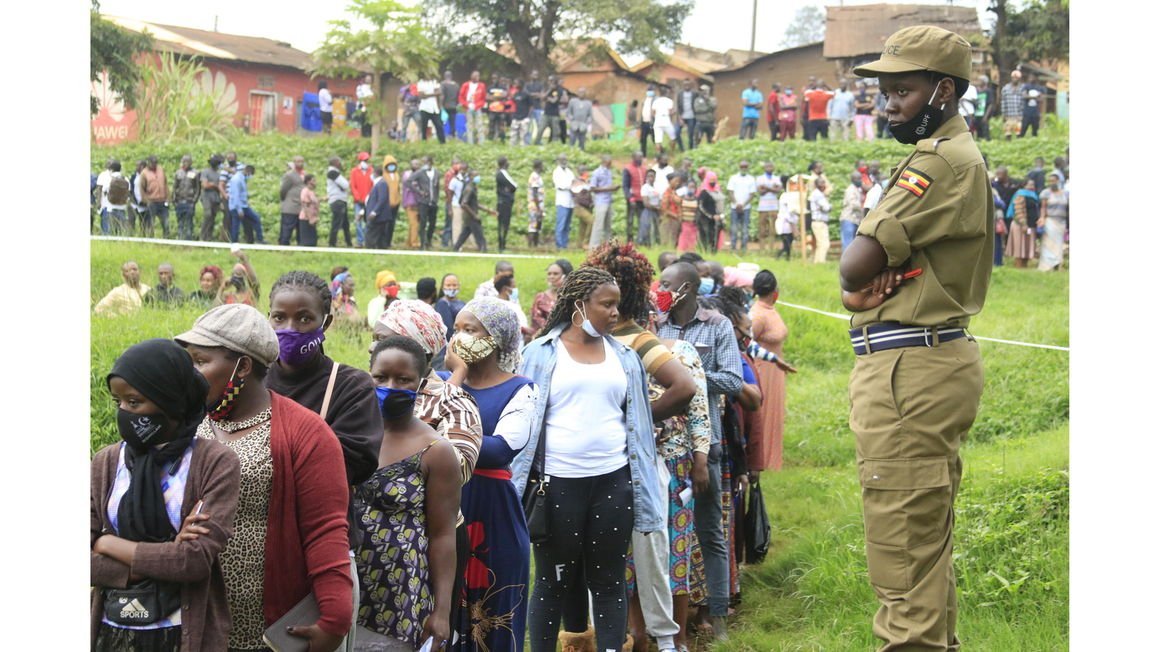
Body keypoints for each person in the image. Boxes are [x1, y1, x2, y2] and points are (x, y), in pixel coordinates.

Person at [842, 26, 992, 651]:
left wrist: (856, 283)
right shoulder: (941, 153)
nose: (889, 103)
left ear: (945, 90)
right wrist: (858, 288)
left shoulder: (941, 160)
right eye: (885, 91)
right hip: (920, 363)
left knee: (902, 556)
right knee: (923, 552)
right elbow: (858, 280)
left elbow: (855, 265)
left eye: (902, 90)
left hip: (912, 370)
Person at [178, 304, 354, 652]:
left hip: (263, 626)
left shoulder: (305, 433)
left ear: (242, 366)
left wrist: (334, 619)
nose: (190, 374)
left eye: (200, 361)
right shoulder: (185, 423)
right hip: (189, 619)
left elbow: (326, 529)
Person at [511, 267, 666, 652]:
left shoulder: (625, 357)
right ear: (580, 305)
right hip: (556, 487)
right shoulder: (539, 354)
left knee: (609, 580)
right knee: (552, 581)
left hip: (613, 484)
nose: (615, 312)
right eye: (606, 304)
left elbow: (640, 425)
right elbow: (522, 423)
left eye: (617, 304)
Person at [581, 242, 699, 652]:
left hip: (636, 468)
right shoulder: (589, 338)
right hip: (594, 467)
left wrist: (633, 419)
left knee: (645, 556)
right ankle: (629, 637)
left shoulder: (638, 338)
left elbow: (684, 387)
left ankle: (660, 639)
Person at [91, 339, 241, 652]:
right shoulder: (106, 462)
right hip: (112, 630)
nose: (123, 413)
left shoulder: (214, 463)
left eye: (134, 403)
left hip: (182, 633)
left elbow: (193, 561)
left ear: (171, 402)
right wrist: (164, 554)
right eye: (118, 401)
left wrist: (108, 544)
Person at [441, 298, 537, 651]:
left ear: (495, 338)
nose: (460, 337)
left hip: (493, 512)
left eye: (471, 330)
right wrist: (458, 376)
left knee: (492, 615)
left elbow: (499, 450)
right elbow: (419, 429)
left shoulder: (520, 389)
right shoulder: (441, 380)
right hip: (445, 506)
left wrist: (444, 433)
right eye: (457, 330)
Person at [654, 261, 743, 641]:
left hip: (706, 444)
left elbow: (734, 378)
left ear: (686, 288)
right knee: (668, 533)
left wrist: (690, 375)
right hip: (664, 446)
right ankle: (674, 619)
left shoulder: (717, 325)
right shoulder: (656, 326)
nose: (661, 289)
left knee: (709, 532)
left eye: (667, 283)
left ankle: (718, 615)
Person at [355, 336, 460, 650]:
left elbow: (443, 535)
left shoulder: (435, 451)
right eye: (381, 377)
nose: (391, 385)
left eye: (404, 380)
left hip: (399, 596)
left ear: (422, 382)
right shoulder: (347, 433)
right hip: (343, 589)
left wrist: (442, 611)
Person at [265, 271, 384, 489]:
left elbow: (349, 464)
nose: (290, 329)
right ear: (268, 318)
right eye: (279, 318)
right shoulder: (249, 379)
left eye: (304, 319)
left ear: (326, 323)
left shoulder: (351, 387)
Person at [746, 270, 795, 471]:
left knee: (774, 412)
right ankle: (761, 460)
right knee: (763, 414)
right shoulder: (757, 315)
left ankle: (774, 458)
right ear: (775, 291)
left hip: (775, 370)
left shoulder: (769, 310)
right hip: (762, 370)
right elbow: (746, 343)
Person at [453, 168, 494, 253]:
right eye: (476, 175)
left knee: (465, 234)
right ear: (471, 176)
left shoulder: (473, 187)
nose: (478, 177)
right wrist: (474, 215)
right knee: (479, 235)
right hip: (471, 216)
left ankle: (455, 248)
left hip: (469, 216)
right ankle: (483, 249)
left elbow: (475, 203)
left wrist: (487, 210)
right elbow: (464, 204)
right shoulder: (469, 189)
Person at [227, 163, 266, 244]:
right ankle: (234, 243)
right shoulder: (236, 179)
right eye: (250, 174)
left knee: (256, 219)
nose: (250, 176)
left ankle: (259, 239)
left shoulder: (242, 178)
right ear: (247, 171)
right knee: (236, 226)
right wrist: (239, 210)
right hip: (237, 206)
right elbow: (235, 195)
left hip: (244, 206)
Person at [1005, 178, 1039, 268]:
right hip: (1020, 225)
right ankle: (1018, 267)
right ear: (1024, 185)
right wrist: (1023, 224)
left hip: (1030, 225)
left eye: (1033, 185)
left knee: (1026, 248)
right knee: (1020, 248)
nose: (1032, 187)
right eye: (1030, 185)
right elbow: (1018, 210)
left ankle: (1024, 267)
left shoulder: (1034, 196)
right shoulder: (1021, 194)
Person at [531, 259, 572, 334]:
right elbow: (536, 323)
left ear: (565, 276)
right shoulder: (540, 297)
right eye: (549, 274)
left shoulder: (570, 297)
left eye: (555, 274)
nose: (551, 277)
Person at [1037, 172, 1068, 271]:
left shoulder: (1065, 193)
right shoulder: (1046, 193)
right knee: (1049, 244)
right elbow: (1043, 207)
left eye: (1053, 181)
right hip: (1050, 220)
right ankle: (1047, 265)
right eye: (1050, 181)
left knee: (1059, 244)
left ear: (1058, 181)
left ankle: (1057, 264)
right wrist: (1042, 218)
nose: (1052, 183)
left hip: (1061, 221)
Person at [589, 155, 620, 248]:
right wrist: (609, 188)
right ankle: (594, 247)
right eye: (609, 162)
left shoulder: (609, 172)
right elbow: (592, 188)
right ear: (604, 162)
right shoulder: (597, 173)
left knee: (608, 226)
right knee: (598, 225)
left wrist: (613, 188)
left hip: (608, 201)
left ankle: (608, 246)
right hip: (600, 202)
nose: (610, 164)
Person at [727, 161, 757, 252]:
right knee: (734, 228)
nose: (743, 168)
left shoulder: (751, 179)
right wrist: (736, 204)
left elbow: (752, 194)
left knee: (745, 228)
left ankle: (744, 248)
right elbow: (730, 192)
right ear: (739, 167)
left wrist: (743, 205)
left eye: (745, 167)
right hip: (734, 207)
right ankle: (733, 247)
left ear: (747, 168)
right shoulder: (733, 178)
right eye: (742, 166)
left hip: (746, 208)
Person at [140, 156, 170, 238]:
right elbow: (142, 189)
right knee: (151, 223)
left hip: (163, 201)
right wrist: (146, 201)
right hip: (152, 201)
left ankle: (166, 239)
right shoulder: (144, 173)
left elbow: (165, 184)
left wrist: (168, 198)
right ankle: (151, 240)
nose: (154, 165)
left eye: (155, 163)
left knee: (166, 223)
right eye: (152, 163)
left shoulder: (161, 170)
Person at [172, 154, 201, 240]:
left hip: (189, 201)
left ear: (191, 162)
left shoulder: (195, 173)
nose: (185, 163)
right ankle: (180, 239)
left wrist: (194, 201)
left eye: (187, 161)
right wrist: (174, 199)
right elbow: (175, 187)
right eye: (184, 161)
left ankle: (189, 239)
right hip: (179, 201)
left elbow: (198, 188)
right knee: (180, 222)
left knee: (189, 222)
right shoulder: (178, 173)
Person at [756, 162, 782, 254]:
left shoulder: (777, 178)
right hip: (762, 207)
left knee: (772, 229)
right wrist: (772, 188)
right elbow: (760, 191)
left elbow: (778, 190)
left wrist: (766, 187)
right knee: (762, 228)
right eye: (767, 166)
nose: (769, 168)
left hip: (774, 206)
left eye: (771, 166)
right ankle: (762, 249)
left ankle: (771, 248)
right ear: (764, 168)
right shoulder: (759, 178)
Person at [279, 156, 307, 246]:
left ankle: (301, 246)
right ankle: (284, 246)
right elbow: (283, 189)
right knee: (287, 229)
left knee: (301, 229)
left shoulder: (305, 174)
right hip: (290, 206)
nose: (300, 163)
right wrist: (285, 199)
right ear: (294, 163)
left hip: (301, 207)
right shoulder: (289, 175)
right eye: (298, 162)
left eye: (302, 162)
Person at [326, 157, 353, 248]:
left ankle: (348, 242)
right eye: (339, 162)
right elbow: (345, 185)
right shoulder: (333, 173)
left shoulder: (336, 173)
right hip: (337, 200)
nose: (340, 163)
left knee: (345, 223)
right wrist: (346, 183)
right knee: (336, 223)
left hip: (341, 200)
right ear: (335, 162)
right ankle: (332, 243)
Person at [350, 152, 374, 248]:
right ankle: (360, 241)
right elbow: (353, 186)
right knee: (358, 221)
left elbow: (373, 186)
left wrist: (369, 198)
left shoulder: (371, 171)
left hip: (368, 201)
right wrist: (358, 198)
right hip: (358, 201)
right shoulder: (354, 171)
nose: (365, 162)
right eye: (363, 160)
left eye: (366, 160)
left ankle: (367, 240)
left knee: (368, 221)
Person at [552, 155, 576, 250]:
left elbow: (574, 182)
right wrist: (571, 186)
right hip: (562, 201)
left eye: (565, 159)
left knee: (567, 225)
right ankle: (559, 245)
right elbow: (560, 185)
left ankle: (564, 244)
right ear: (558, 161)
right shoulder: (556, 172)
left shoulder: (569, 171)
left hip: (570, 201)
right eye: (562, 159)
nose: (564, 161)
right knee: (561, 224)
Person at [495, 156, 518, 252]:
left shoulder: (502, 173)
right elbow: (514, 185)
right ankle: (501, 244)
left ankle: (502, 243)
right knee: (503, 223)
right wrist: (510, 190)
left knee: (504, 223)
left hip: (505, 201)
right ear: (504, 163)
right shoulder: (501, 173)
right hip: (504, 202)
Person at [696, 173, 723, 254]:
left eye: (714, 180)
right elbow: (700, 206)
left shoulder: (718, 191)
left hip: (717, 218)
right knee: (706, 236)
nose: (713, 182)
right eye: (711, 180)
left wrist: (720, 215)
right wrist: (711, 216)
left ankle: (713, 252)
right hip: (705, 219)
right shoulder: (704, 192)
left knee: (715, 237)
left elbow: (721, 205)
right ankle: (704, 252)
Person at [365, 165, 391, 250]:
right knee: (380, 235)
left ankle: (370, 249)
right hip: (377, 215)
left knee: (371, 233)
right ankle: (381, 250)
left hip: (379, 216)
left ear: (375, 173)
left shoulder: (382, 184)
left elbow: (382, 199)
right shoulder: (378, 184)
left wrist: (374, 212)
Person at [840, 172, 866, 252]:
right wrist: (864, 209)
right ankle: (846, 262)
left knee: (854, 243)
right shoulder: (850, 190)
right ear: (852, 180)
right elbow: (854, 204)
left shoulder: (857, 189)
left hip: (855, 220)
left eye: (860, 178)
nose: (860, 180)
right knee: (848, 242)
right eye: (858, 179)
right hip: (848, 219)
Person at [434, 274, 465, 340]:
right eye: (448, 285)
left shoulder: (462, 303)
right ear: (442, 287)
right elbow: (448, 330)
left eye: (454, 285)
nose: (452, 288)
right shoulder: (442, 304)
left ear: (459, 286)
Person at [459, 71, 487, 144]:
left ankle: (481, 143)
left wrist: (477, 105)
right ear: (471, 77)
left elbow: (483, 98)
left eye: (478, 76)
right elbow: (461, 97)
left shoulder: (482, 85)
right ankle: (470, 143)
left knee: (480, 125)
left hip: (477, 107)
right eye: (475, 76)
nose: (476, 77)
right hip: (468, 107)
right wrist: (466, 105)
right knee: (469, 126)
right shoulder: (466, 85)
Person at [808, 177, 832, 263]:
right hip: (819, 222)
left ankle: (817, 262)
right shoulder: (818, 194)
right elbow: (826, 207)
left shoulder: (816, 194)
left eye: (824, 183)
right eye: (821, 183)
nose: (823, 185)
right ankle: (821, 262)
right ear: (816, 185)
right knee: (824, 244)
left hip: (818, 222)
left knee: (820, 243)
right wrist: (829, 207)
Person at [639, 168, 662, 246]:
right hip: (648, 211)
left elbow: (660, 200)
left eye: (652, 176)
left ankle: (656, 245)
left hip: (656, 211)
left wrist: (659, 207)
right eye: (649, 176)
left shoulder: (656, 188)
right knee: (646, 229)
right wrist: (657, 207)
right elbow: (646, 203)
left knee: (656, 229)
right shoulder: (645, 187)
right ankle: (645, 245)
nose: (650, 178)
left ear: (655, 177)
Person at [659, 172, 683, 249]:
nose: (677, 183)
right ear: (669, 181)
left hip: (676, 221)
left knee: (674, 241)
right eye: (675, 181)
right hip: (669, 220)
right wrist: (676, 216)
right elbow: (664, 209)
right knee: (667, 241)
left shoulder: (675, 193)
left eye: (678, 181)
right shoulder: (666, 194)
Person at [652, 86, 677, 154]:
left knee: (658, 140)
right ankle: (672, 153)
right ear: (666, 93)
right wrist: (674, 113)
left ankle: (658, 155)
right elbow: (671, 112)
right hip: (666, 120)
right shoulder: (669, 101)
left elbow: (653, 112)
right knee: (673, 137)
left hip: (657, 120)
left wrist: (657, 117)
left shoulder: (656, 101)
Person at [1000, 70, 1024, 140]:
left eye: (1017, 77)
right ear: (1011, 78)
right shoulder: (1005, 88)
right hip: (1009, 115)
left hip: (1018, 115)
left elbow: (1023, 103)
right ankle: (1008, 146)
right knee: (1008, 133)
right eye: (1013, 77)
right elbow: (1003, 102)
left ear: (1019, 79)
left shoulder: (1022, 88)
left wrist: (1021, 115)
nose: (1015, 79)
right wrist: (1004, 114)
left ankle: (1018, 145)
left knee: (1019, 133)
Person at [677, 177, 700, 252]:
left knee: (692, 242)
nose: (691, 189)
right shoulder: (682, 199)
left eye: (693, 187)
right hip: (685, 223)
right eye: (690, 187)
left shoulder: (697, 199)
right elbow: (679, 210)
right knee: (684, 241)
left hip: (693, 224)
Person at [299, 173, 321, 247]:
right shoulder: (305, 191)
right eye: (313, 180)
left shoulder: (311, 192)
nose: (315, 182)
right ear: (309, 182)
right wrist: (310, 218)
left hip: (312, 218)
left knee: (313, 240)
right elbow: (305, 206)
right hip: (306, 219)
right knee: (307, 241)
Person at [1020, 72, 1044, 138]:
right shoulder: (1026, 86)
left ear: (1036, 78)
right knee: (1023, 129)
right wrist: (1035, 97)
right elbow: (1024, 96)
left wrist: (1031, 97)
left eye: (1032, 77)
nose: (1031, 79)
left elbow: (1041, 99)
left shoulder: (1040, 88)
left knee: (1035, 131)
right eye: (1030, 77)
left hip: (1035, 113)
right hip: (1027, 112)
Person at [527, 159, 545, 249]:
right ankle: (531, 245)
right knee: (533, 224)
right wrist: (538, 207)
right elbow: (534, 192)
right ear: (539, 166)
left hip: (539, 203)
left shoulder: (538, 176)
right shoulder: (534, 176)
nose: (543, 167)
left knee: (538, 224)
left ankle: (535, 245)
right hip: (535, 204)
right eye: (542, 165)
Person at [638, 84, 657, 157]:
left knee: (654, 139)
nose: (649, 92)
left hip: (652, 122)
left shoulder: (655, 100)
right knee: (643, 139)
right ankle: (643, 155)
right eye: (648, 90)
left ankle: (658, 155)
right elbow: (641, 111)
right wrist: (640, 122)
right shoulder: (644, 100)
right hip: (644, 122)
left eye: (650, 90)